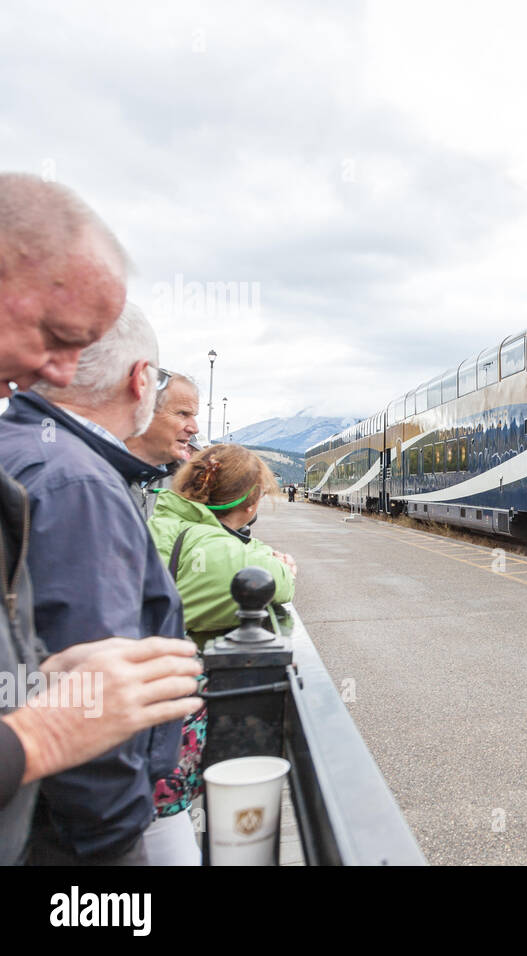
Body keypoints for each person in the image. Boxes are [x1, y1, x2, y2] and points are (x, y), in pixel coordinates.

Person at [0, 172, 200, 866]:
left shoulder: (29, 453)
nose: (52, 369)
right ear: (142, 381)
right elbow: (99, 719)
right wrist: (114, 846)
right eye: (56, 335)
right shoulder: (75, 481)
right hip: (79, 845)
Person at [146, 444, 296, 828]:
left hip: (141, 695)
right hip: (162, 717)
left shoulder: (169, 522)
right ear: (251, 502)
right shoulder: (212, 548)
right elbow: (273, 579)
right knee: (164, 833)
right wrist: (283, 568)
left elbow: (243, 549)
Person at [126, 371, 201, 518]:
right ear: (144, 413)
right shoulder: (94, 474)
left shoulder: (188, 483)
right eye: (183, 414)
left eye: (194, 416)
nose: (194, 428)